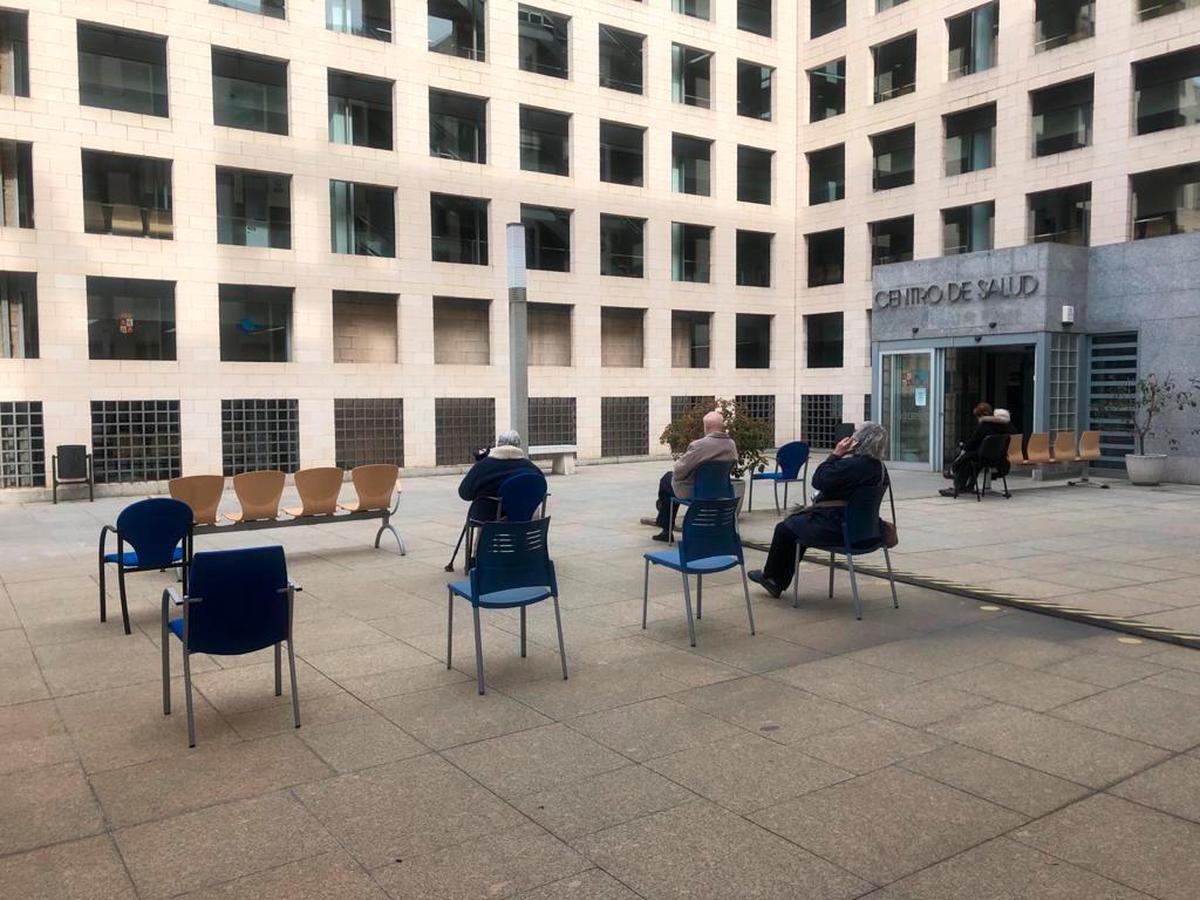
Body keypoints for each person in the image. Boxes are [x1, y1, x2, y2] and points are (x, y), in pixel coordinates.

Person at [747, 422, 889, 598]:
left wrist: (836, 454)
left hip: (839, 529)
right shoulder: (880, 469)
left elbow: (819, 479)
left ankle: (773, 579)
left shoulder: (852, 465)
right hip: (868, 532)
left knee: (785, 528)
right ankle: (775, 580)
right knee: (798, 526)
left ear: (858, 441)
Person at [652, 410, 737, 542]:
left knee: (666, 480)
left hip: (697, 492)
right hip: (722, 491)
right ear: (722, 426)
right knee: (669, 483)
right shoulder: (731, 444)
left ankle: (665, 527)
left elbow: (680, 470)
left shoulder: (699, 445)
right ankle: (663, 511)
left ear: (706, 427)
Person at [457, 430, 542, 521]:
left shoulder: (483, 466)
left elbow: (464, 493)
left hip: (489, 525)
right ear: (519, 446)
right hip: (524, 523)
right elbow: (541, 493)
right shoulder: (532, 468)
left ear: (498, 445)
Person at [939, 403, 1016, 497]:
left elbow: (973, 441)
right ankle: (967, 485)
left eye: (977, 417)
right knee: (971, 458)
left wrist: (963, 447)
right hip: (999, 458)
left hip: (983, 457)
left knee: (963, 455)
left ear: (981, 415)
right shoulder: (1007, 427)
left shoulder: (985, 425)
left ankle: (957, 484)